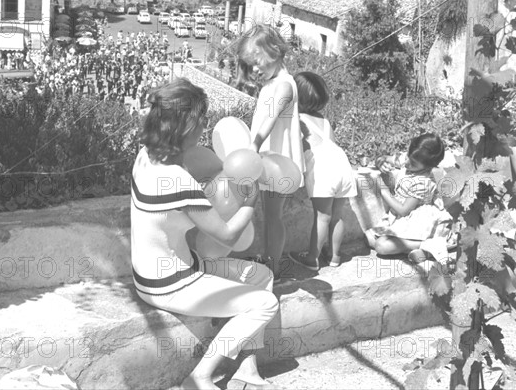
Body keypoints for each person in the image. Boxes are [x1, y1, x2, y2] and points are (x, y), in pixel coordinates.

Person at [131, 78, 278, 390]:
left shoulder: (145, 156)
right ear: (186, 125)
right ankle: (200, 377)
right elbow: (226, 235)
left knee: (261, 276)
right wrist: (250, 200)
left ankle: (247, 371)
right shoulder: (178, 182)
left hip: (156, 274)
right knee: (265, 304)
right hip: (172, 284)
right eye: (203, 120)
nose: (205, 128)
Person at [236, 24, 305, 278]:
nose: (253, 69)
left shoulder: (285, 85)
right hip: (267, 159)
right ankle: (267, 259)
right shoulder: (272, 82)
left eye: (256, 62)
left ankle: (273, 267)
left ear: (274, 51)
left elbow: (271, 119)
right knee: (268, 213)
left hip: (277, 160)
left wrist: (254, 145)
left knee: (274, 216)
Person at [287, 72, 357, 271]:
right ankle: (334, 256)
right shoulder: (325, 122)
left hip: (323, 169)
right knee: (337, 216)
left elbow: (297, 149)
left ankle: (311, 258)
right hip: (342, 165)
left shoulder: (297, 120)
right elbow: (331, 145)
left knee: (322, 216)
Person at [365, 133, 454, 264]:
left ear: (428, 166)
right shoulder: (411, 159)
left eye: (412, 163)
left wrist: (384, 191)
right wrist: (382, 162)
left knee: (381, 246)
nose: (406, 163)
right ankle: (420, 251)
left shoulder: (423, 182)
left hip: (417, 220)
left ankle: (431, 246)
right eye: (407, 157)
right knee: (368, 237)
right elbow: (384, 158)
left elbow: (403, 210)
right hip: (400, 220)